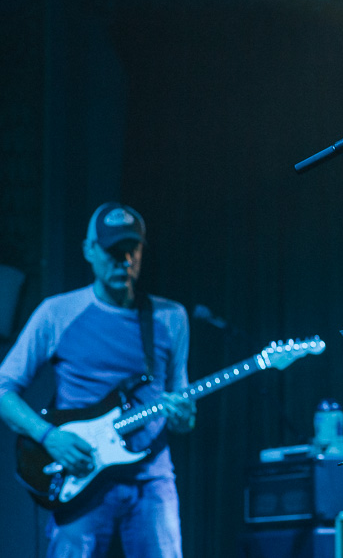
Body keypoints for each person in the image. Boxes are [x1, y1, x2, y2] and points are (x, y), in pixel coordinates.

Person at [0, 202, 196, 558]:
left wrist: (184, 417)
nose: (123, 260)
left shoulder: (171, 318)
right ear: (89, 250)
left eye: (131, 249)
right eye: (111, 250)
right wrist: (49, 436)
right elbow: (3, 389)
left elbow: (181, 410)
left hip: (152, 478)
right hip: (80, 472)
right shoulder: (57, 313)